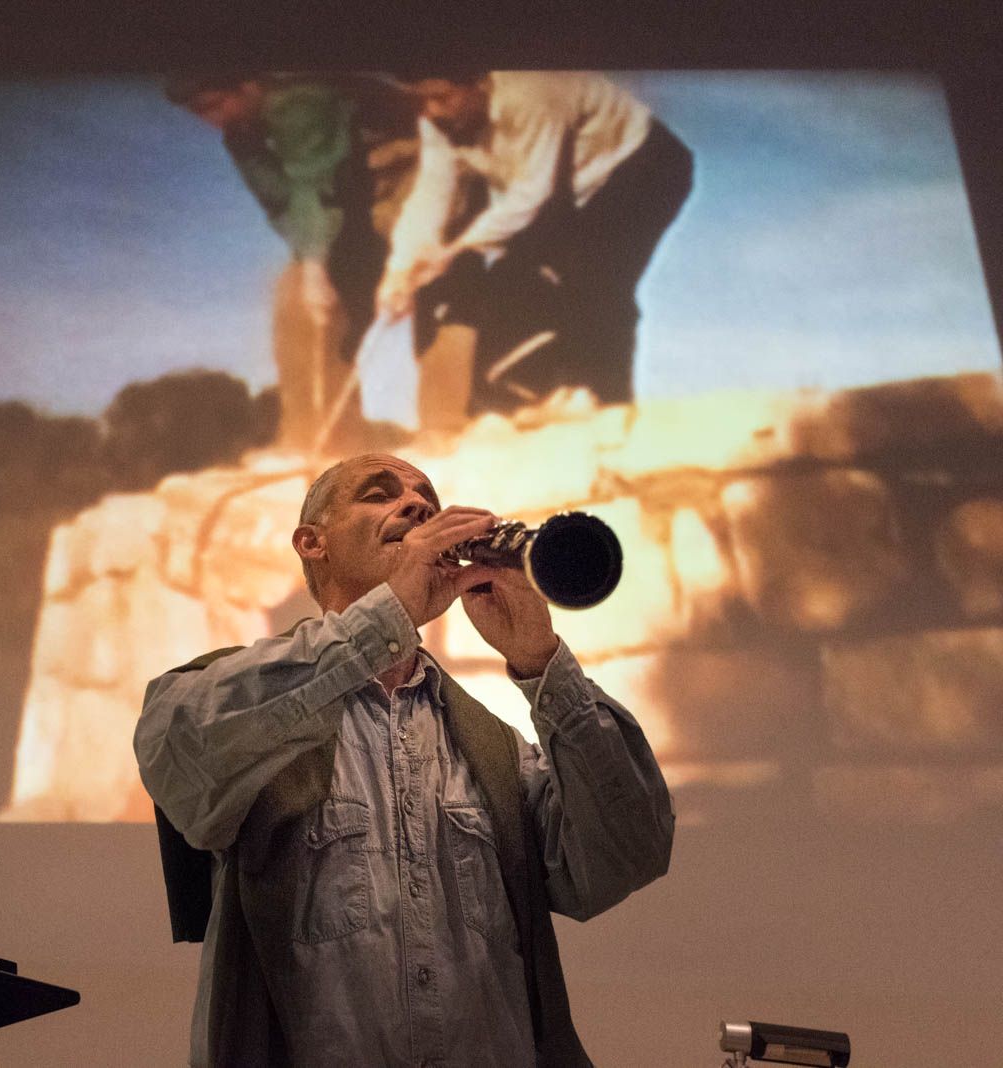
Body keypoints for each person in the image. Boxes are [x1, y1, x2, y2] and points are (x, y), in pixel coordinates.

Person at [134, 453, 675, 1067]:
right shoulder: (244, 699)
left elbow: (630, 851)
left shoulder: (492, 748)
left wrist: (538, 659)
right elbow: (175, 748)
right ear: (313, 543)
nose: (417, 505)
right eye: (379, 494)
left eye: (427, 498)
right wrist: (387, 615)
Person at [379, 71, 694, 416]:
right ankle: (514, 402)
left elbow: (532, 196)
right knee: (511, 281)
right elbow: (432, 193)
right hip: (577, 188)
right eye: (421, 99)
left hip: (645, 165)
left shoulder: (532, 94)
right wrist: (398, 271)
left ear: (478, 84)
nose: (432, 110)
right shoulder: (437, 122)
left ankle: (604, 401)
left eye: (442, 98)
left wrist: (453, 251)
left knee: (595, 275)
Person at [166, 74, 420, 449]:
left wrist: (318, 267)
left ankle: (450, 422)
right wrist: (309, 265)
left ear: (248, 85)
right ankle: (320, 439)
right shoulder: (241, 136)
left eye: (215, 105)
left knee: (413, 275)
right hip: (346, 196)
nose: (211, 119)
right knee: (295, 293)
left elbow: (314, 187)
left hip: (409, 170)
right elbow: (282, 205)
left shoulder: (299, 98)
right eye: (198, 112)